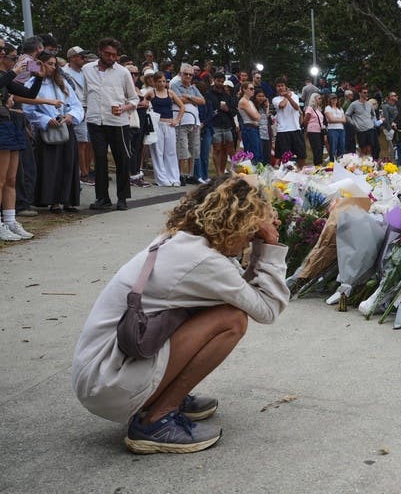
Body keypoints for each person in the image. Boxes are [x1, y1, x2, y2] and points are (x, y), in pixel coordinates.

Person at [71, 175, 289, 454]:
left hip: (100, 373)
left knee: (221, 309)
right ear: (236, 223)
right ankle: (156, 420)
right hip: (108, 383)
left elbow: (239, 289)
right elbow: (268, 309)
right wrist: (269, 244)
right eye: (251, 230)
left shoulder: (182, 241)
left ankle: (158, 396)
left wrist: (258, 246)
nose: (250, 238)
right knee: (231, 320)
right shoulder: (203, 262)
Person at [82, 38, 139, 211]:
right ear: (100, 51)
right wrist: (85, 112)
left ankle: (122, 198)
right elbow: (84, 95)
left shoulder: (123, 72)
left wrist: (124, 108)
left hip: (117, 123)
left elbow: (134, 99)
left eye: (114, 55)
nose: (111, 58)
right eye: (108, 54)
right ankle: (102, 197)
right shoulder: (87, 69)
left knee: (122, 159)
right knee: (99, 160)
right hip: (95, 121)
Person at [23, 52, 84, 213]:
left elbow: (76, 104)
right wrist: (44, 119)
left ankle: (68, 200)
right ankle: (53, 201)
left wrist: (71, 115)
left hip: (65, 128)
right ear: (41, 64)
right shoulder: (32, 83)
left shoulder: (61, 82)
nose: (53, 67)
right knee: (51, 165)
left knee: (68, 164)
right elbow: (28, 109)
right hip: (47, 130)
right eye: (49, 63)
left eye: (54, 64)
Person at [0, 43, 45, 240]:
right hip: (2, 124)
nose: (3, 53)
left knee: (11, 179)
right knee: (0, 179)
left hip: (10, 122)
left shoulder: (7, 74)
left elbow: (28, 94)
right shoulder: (7, 74)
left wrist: (39, 77)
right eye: (4, 52)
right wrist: (15, 72)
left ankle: (10, 221)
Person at [145, 73, 185, 187]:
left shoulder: (170, 93)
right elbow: (143, 102)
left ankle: (173, 177)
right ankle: (162, 179)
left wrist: (177, 120)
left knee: (171, 152)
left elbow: (182, 106)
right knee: (158, 152)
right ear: (155, 82)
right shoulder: (151, 93)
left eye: (163, 81)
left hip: (169, 124)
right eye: (159, 81)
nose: (162, 84)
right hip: (157, 123)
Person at [170, 64, 204, 185]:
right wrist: (194, 100)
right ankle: (180, 174)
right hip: (181, 122)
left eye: (190, 74)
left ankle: (190, 174)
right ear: (181, 74)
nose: (188, 76)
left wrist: (189, 96)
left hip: (195, 122)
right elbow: (178, 99)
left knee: (194, 150)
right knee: (182, 150)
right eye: (186, 74)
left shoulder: (193, 88)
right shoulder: (174, 85)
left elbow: (203, 101)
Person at [63, 46, 93, 185]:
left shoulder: (85, 72)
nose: (84, 59)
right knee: (77, 142)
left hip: (86, 109)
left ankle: (85, 170)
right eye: (81, 56)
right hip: (72, 109)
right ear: (73, 57)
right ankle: (82, 173)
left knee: (86, 142)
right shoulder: (64, 72)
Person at [208, 73, 237, 175]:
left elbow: (234, 111)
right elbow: (208, 110)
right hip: (215, 125)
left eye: (222, 81)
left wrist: (227, 109)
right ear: (214, 80)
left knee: (229, 150)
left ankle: (230, 170)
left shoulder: (227, 96)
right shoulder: (209, 94)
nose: (220, 83)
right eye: (218, 81)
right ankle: (218, 173)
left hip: (227, 126)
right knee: (217, 149)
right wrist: (216, 110)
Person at [273, 78, 305, 168]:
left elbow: (296, 107)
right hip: (283, 131)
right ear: (276, 88)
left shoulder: (294, 96)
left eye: (282, 85)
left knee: (301, 154)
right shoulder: (275, 99)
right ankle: (286, 173)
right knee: (285, 156)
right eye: (278, 86)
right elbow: (282, 105)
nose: (280, 88)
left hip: (295, 128)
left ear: (286, 86)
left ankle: (300, 171)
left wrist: (289, 97)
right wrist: (287, 97)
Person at [346, 88, 376, 157]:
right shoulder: (354, 104)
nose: (366, 94)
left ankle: (369, 163)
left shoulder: (369, 104)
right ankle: (362, 163)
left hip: (370, 128)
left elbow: (373, 114)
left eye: (367, 92)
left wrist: (372, 122)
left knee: (370, 148)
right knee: (363, 148)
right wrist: (354, 123)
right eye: (364, 92)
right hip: (361, 130)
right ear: (360, 93)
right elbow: (347, 114)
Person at [238, 81, 262, 164]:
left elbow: (258, 117)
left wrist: (257, 117)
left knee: (258, 153)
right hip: (249, 128)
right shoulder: (243, 101)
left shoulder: (250, 102)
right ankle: (252, 173)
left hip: (254, 128)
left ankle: (256, 173)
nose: (253, 90)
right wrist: (257, 117)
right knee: (252, 154)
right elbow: (255, 117)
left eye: (253, 89)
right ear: (244, 89)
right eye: (251, 89)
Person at [303, 92, 325, 166]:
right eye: (319, 98)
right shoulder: (310, 108)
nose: (320, 100)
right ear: (314, 99)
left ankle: (319, 163)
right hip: (313, 130)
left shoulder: (318, 109)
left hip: (320, 131)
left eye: (321, 99)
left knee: (321, 147)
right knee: (316, 148)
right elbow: (306, 120)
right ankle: (318, 164)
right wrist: (305, 129)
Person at [324, 94, 346, 162]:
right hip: (332, 129)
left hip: (341, 129)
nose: (334, 100)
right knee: (333, 147)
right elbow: (331, 119)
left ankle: (340, 163)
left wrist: (334, 119)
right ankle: (332, 163)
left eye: (335, 98)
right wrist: (339, 120)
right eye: (332, 99)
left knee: (341, 147)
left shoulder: (340, 108)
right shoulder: (328, 108)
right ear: (330, 100)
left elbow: (344, 120)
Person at [253, 89, 272, 165]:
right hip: (258, 135)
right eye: (259, 96)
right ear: (255, 97)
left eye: (263, 96)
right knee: (259, 159)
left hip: (266, 135)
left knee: (267, 158)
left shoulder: (263, 107)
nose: (261, 98)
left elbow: (268, 118)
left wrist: (267, 107)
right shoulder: (253, 107)